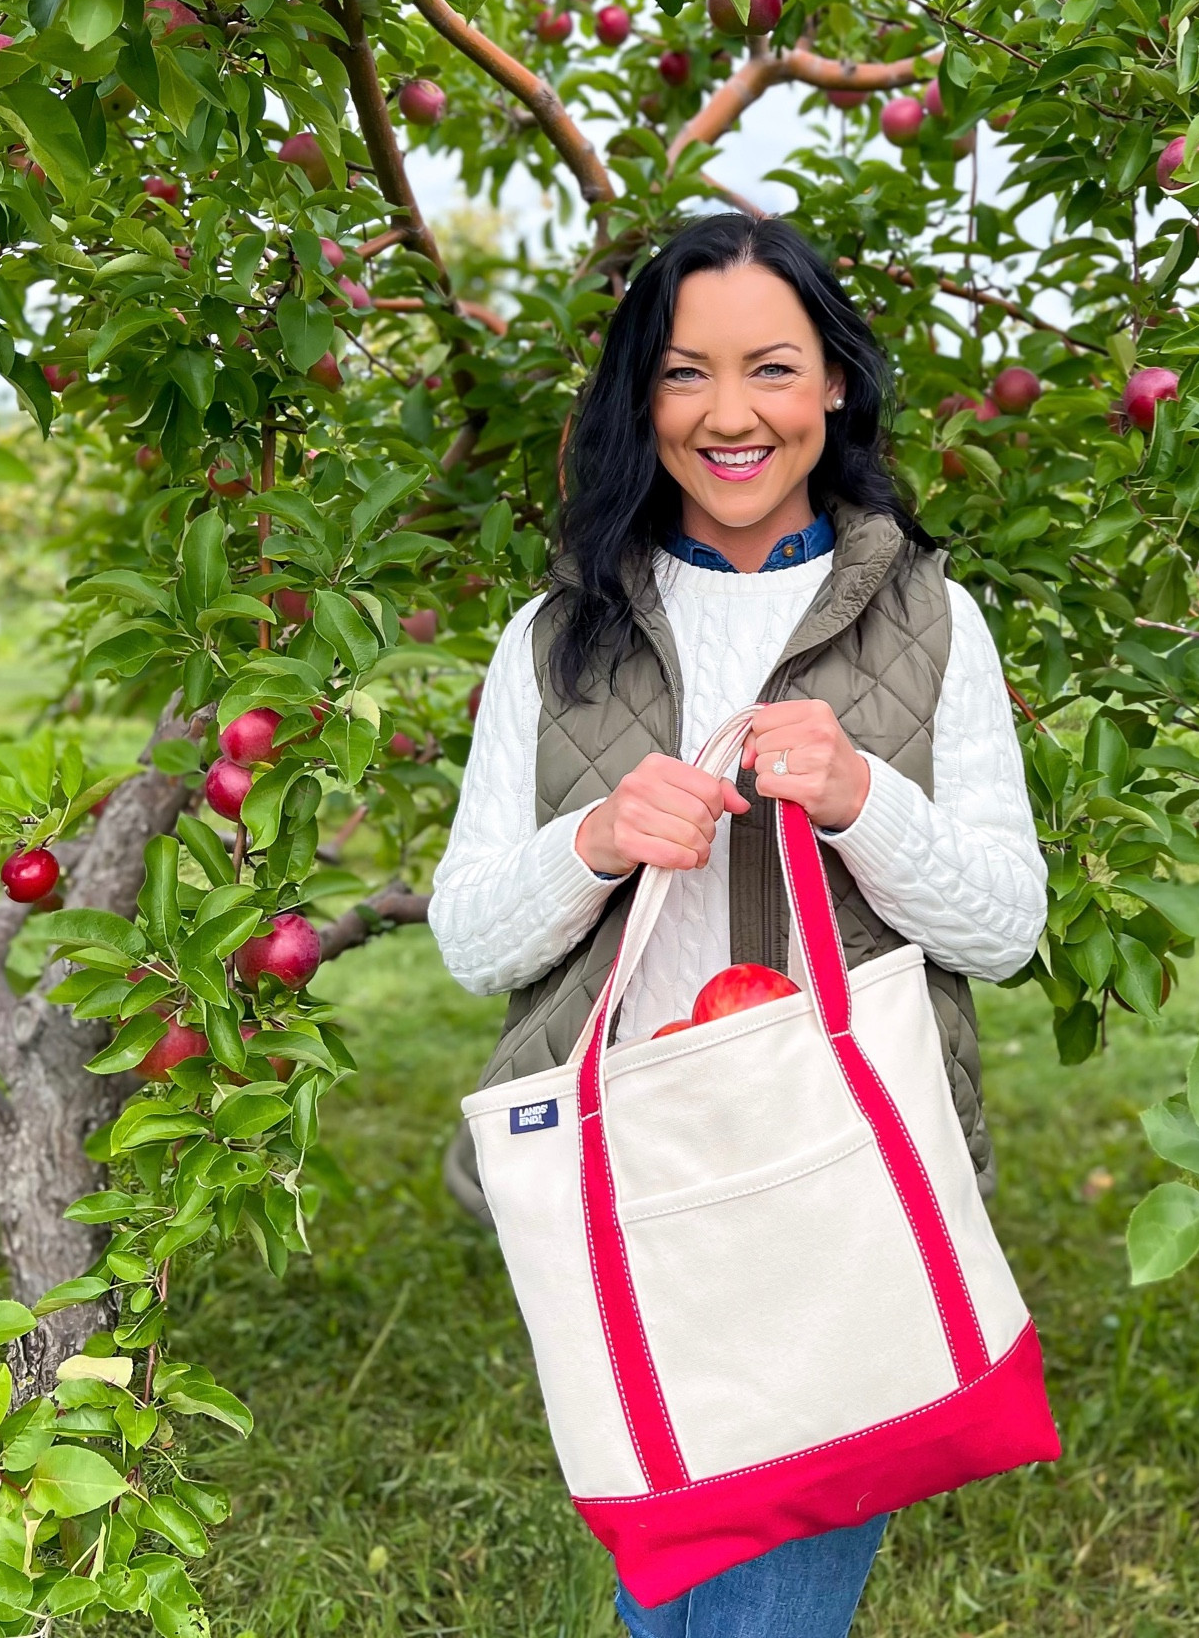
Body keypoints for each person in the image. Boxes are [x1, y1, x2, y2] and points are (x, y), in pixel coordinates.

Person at [430, 214, 1048, 1638]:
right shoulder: (551, 637)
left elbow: (1006, 928)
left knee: (756, 1609)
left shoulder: (936, 623)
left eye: (770, 369)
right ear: (639, 400)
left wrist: (860, 797)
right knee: (676, 1591)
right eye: (683, 375)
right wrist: (590, 841)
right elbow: (471, 941)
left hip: (832, 1164)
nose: (729, 416)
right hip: (634, 1180)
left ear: (833, 383)